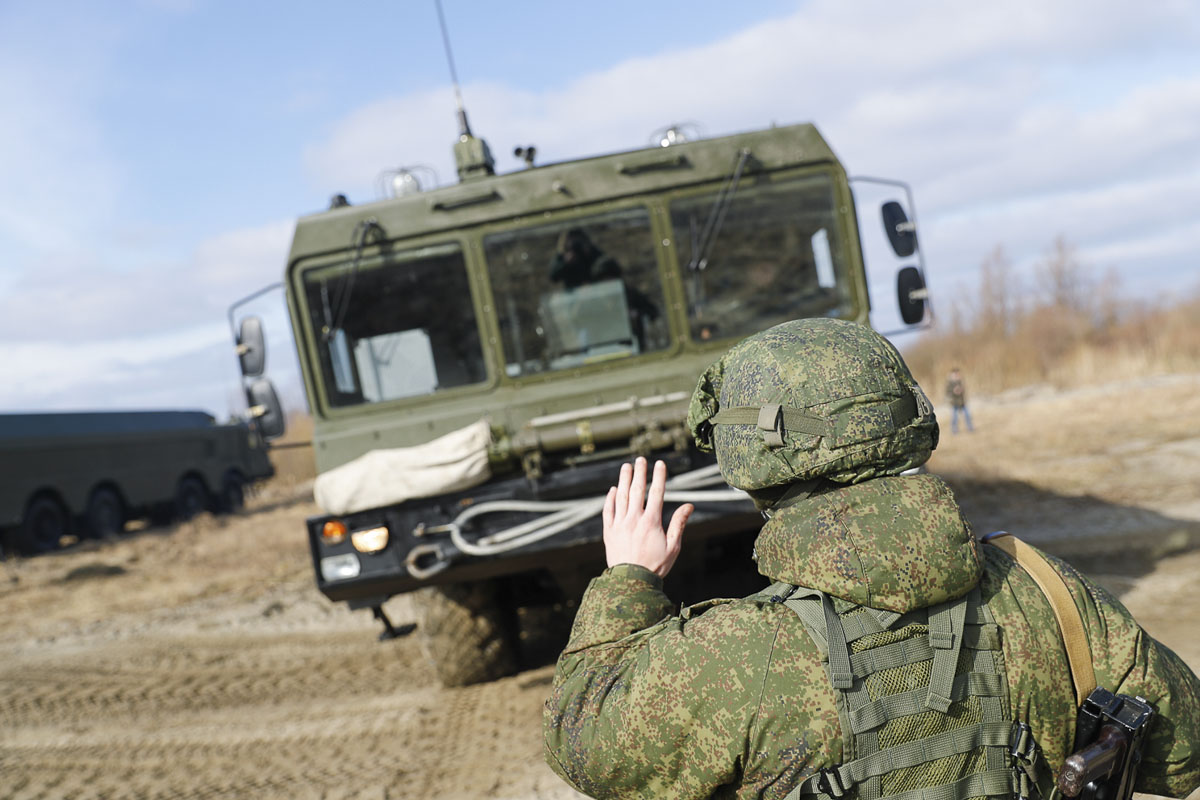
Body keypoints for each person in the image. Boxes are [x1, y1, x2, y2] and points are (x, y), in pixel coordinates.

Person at [544, 318, 1200, 800]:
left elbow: (584, 739)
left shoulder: (738, 652)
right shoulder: (1049, 593)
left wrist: (628, 580)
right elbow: (1185, 752)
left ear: (750, 456)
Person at [946, 367, 974, 433]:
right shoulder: (950, 383)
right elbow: (948, 393)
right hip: (954, 403)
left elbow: (964, 390)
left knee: (967, 415)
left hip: (962, 402)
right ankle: (954, 430)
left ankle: (970, 428)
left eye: (958, 374)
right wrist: (954, 391)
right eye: (955, 374)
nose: (957, 376)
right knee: (954, 418)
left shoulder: (960, 381)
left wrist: (961, 390)